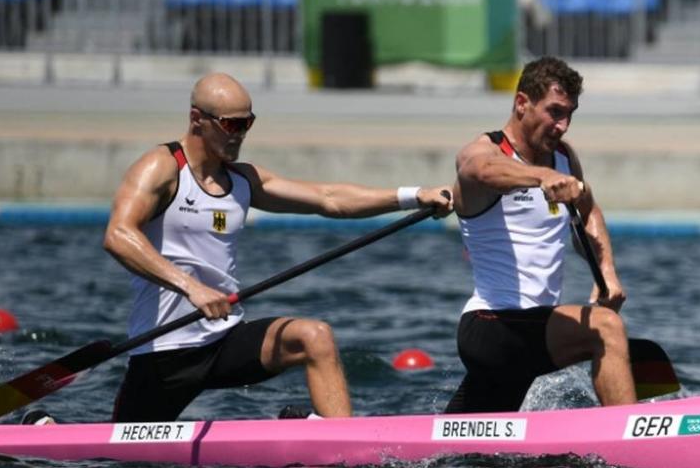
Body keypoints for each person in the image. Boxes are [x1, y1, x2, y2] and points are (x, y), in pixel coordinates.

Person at [103, 72, 452, 423]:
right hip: (166, 351)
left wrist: (413, 196)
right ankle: (47, 425)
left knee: (314, 337)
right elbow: (118, 234)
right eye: (230, 124)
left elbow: (328, 199)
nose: (240, 133)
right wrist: (190, 286)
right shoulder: (162, 167)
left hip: (224, 339)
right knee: (120, 457)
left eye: (247, 123)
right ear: (197, 120)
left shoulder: (242, 179)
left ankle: (341, 442)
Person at [446, 56, 635, 413]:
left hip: (532, 330)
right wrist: (539, 177)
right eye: (555, 112)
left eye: (570, 115)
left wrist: (606, 271)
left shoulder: (563, 158)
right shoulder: (488, 151)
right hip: (491, 327)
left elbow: (588, 208)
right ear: (522, 103)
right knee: (605, 327)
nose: (563, 126)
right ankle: (633, 438)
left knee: (473, 446)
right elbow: (475, 167)